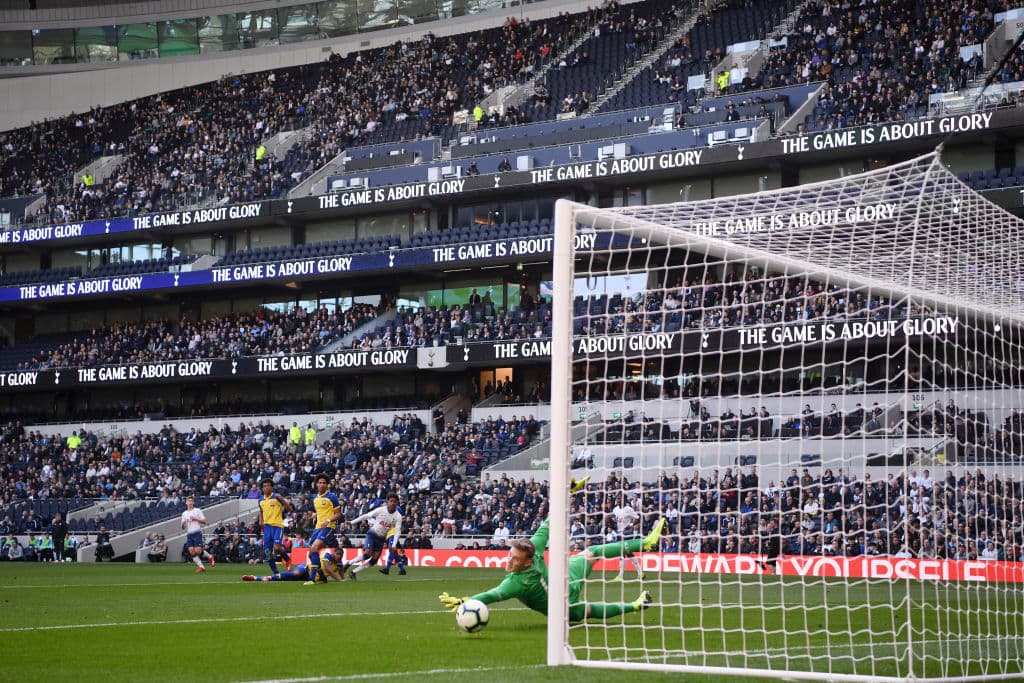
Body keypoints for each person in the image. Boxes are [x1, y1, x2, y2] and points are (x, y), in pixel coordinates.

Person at [440, 514, 662, 623]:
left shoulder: (515, 582)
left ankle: (645, 543)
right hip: (562, 580)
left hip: (565, 595)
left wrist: (465, 602)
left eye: (514, 559)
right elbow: (549, 521)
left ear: (527, 561)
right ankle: (635, 604)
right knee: (591, 555)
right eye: (510, 555)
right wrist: (566, 492)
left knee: (586, 606)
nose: (509, 561)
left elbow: (491, 596)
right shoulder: (533, 549)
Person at [343, 492, 403, 580]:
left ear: (397, 503)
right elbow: (366, 516)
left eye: (394, 501)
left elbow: (397, 531)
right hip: (372, 534)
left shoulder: (398, 516)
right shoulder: (381, 510)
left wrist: (394, 545)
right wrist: (352, 522)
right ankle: (349, 563)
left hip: (381, 539)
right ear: (387, 502)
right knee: (368, 553)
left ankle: (353, 572)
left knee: (374, 560)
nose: (392, 503)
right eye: (390, 501)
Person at [307, 474, 341, 581]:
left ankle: (312, 579)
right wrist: (313, 516)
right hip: (318, 527)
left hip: (329, 527)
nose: (322, 485)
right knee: (310, 554)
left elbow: (339, 514)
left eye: (324, 483)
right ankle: (321, 576)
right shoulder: (315, 498)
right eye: (320, 483)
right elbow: (317, 512)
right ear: (316, 484)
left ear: (327, 485)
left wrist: (328, 520)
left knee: (315, 548)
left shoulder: (332, 497)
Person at [242, 547, 342, 583]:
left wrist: (343, 579)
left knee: (286, 579)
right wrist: (338, 580)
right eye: (338, 554)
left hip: (310, 578)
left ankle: (256, 578)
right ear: (334, 553)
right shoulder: (328, 555)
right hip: (307, 568)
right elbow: (328, 568)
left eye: (341, 555)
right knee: (296, 574)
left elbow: (342, 574)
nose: (339, 557)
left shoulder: (339, 564)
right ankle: (262, 578)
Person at [256, 478, 292, 574]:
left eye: (268, 486)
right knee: (268, 552)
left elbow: (289, 509)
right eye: (264, 486)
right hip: (267, 527)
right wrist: (261, 521)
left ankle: (287, 560)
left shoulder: (276, 497)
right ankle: (275, 572)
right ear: (262, 488)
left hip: (277, 526)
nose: (266, 487)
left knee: (276, 547)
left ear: (272, 487)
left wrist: (283, 501)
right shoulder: (260, 500)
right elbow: (261, 511)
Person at [611, 493, 644, 580]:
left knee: (622, 553)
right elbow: (615, 518)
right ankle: (640, 573)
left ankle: (620, 576)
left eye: (619, 499)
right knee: (628, 553)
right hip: (619, 533)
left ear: (624, 500)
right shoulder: (615, 509)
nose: (618, 500)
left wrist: (631, 524)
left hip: (627, 533)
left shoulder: (628, 509)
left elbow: (638, 517)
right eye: (617, 499)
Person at [181, 496, 216, 573]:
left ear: (193, 502)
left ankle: (210, 557)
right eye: (188, 501)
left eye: (191, 501)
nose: (190, 502)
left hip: (197, 532)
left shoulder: (197, 510)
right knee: (191, 552)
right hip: (189, 534)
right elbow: (182, 527)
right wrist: (183, 523)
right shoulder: (184, 513)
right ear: (186, 503)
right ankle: (202, 567)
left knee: (198, 551)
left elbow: (204, 521)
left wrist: (195, 519)